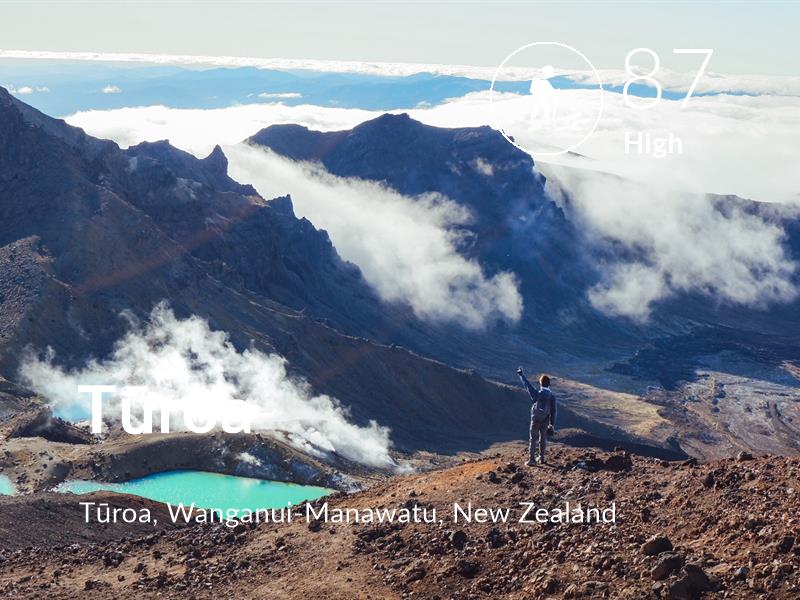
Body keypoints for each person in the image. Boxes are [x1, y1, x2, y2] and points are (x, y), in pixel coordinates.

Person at [517, 367, 556, 466]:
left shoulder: (537, 394)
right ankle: (542, 458)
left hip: (535, 419)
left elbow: (527, 385)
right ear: (549, 384)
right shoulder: (551, 396)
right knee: (542, 439)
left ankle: (532, 460)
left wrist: (521, 375)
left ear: (540, 383)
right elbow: (553, 411)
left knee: (533, 439)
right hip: (545, 420)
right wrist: (551, 424)